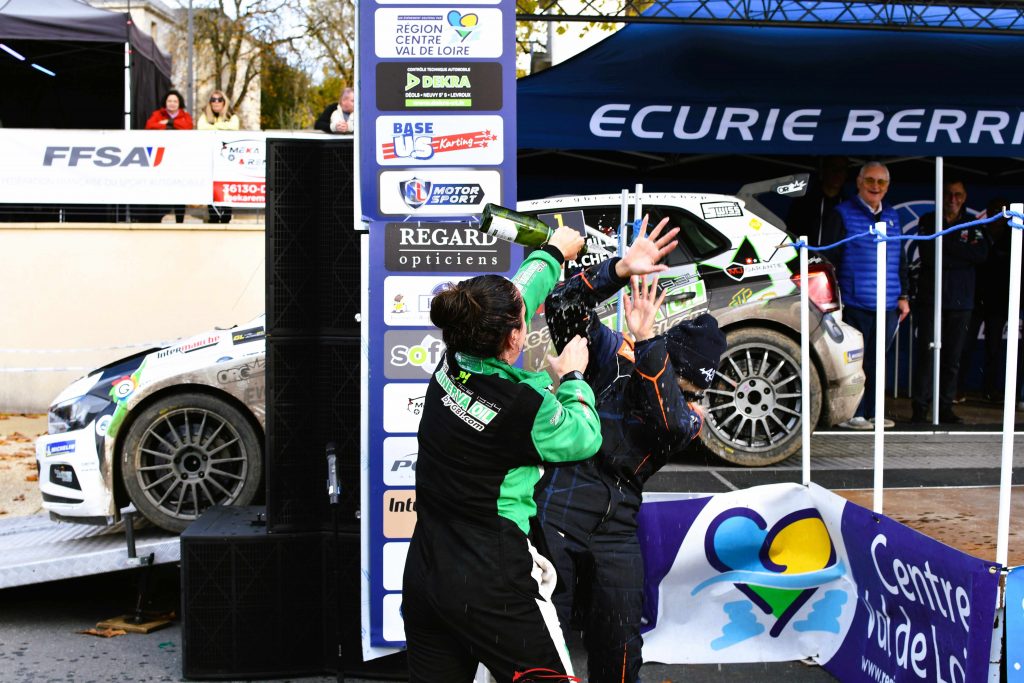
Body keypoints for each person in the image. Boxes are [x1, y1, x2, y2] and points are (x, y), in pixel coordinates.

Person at [402, 226, 601, 683]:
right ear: (513, 339)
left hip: (429, 571)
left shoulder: (451, 359)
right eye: (521, 322)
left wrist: (553, 252)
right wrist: (572, 377)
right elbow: (584, 436)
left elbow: (517, 295)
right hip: (492, 579)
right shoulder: (521, 405)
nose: (526, 321)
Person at [537, 220, 725, 683]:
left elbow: (669, 420)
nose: (687, 394)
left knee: (620, 651)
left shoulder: (687, 417)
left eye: (691, 389)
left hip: (617, 529)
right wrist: (617, 269)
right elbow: (563, 308)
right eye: (685, 381)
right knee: (543, 643)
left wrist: (647, 345)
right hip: (556, 513)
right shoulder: (611, 358)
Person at [821, 161, 909, 430]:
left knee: (878, 362)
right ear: (859, 182)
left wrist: (903, 295)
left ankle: (874, 412)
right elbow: (829, 259)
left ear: (888, 186)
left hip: (888, 304)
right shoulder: (842, 214)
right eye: (870, 180)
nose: (875, 186)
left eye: (881, 182)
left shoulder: (892, 215)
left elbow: (900, 258)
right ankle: (852, 414)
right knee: (854, 363)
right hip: (855, 303)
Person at [911, 180, 988, 424]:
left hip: (960, 302)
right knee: (926, 356)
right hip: (931, 300)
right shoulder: (928, 220)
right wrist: (960, 251)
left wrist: (947, 246)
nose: (953, 199)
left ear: (964, 197)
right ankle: (920, 409)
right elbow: (929, 255)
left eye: (958, 194)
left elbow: (981, 255)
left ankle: (945, 407)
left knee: (952, 359)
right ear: (940, 196)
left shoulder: (973, 223)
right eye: (948, 194)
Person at [144, 90, 193, 223]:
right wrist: (170, 124)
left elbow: (187, 126)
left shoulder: (185, 115)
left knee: (179, 189)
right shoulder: (157, 114)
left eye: (175, 101)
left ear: (179, 103)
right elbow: (149, 126)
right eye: (169, 101)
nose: (172, 104)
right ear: (165, 103)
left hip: (179, 158)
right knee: (161, 188)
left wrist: (167, 123)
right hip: (161, 159)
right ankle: (155, 219)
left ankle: (180, 220)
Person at [196, 89, 240, 224]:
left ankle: (226, 215)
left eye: (219, 99)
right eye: (213, 99)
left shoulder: (232, 115)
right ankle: (213, 215)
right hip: (210, 158)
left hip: (227, 159)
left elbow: (234, 127)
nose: (216, 102)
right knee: (211, 187)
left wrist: (215, 126)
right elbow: (201, 127)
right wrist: (222, 127)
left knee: (226, 185)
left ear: (224, 102)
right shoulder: (204, 116)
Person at [785, 155, 848, 246]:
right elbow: (791, 235)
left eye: (842, 169)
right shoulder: (803, 203)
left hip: (839, 260)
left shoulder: (851, 206)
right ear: (823, 170)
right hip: (807, 257)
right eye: (833, 167)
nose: (837, 173)